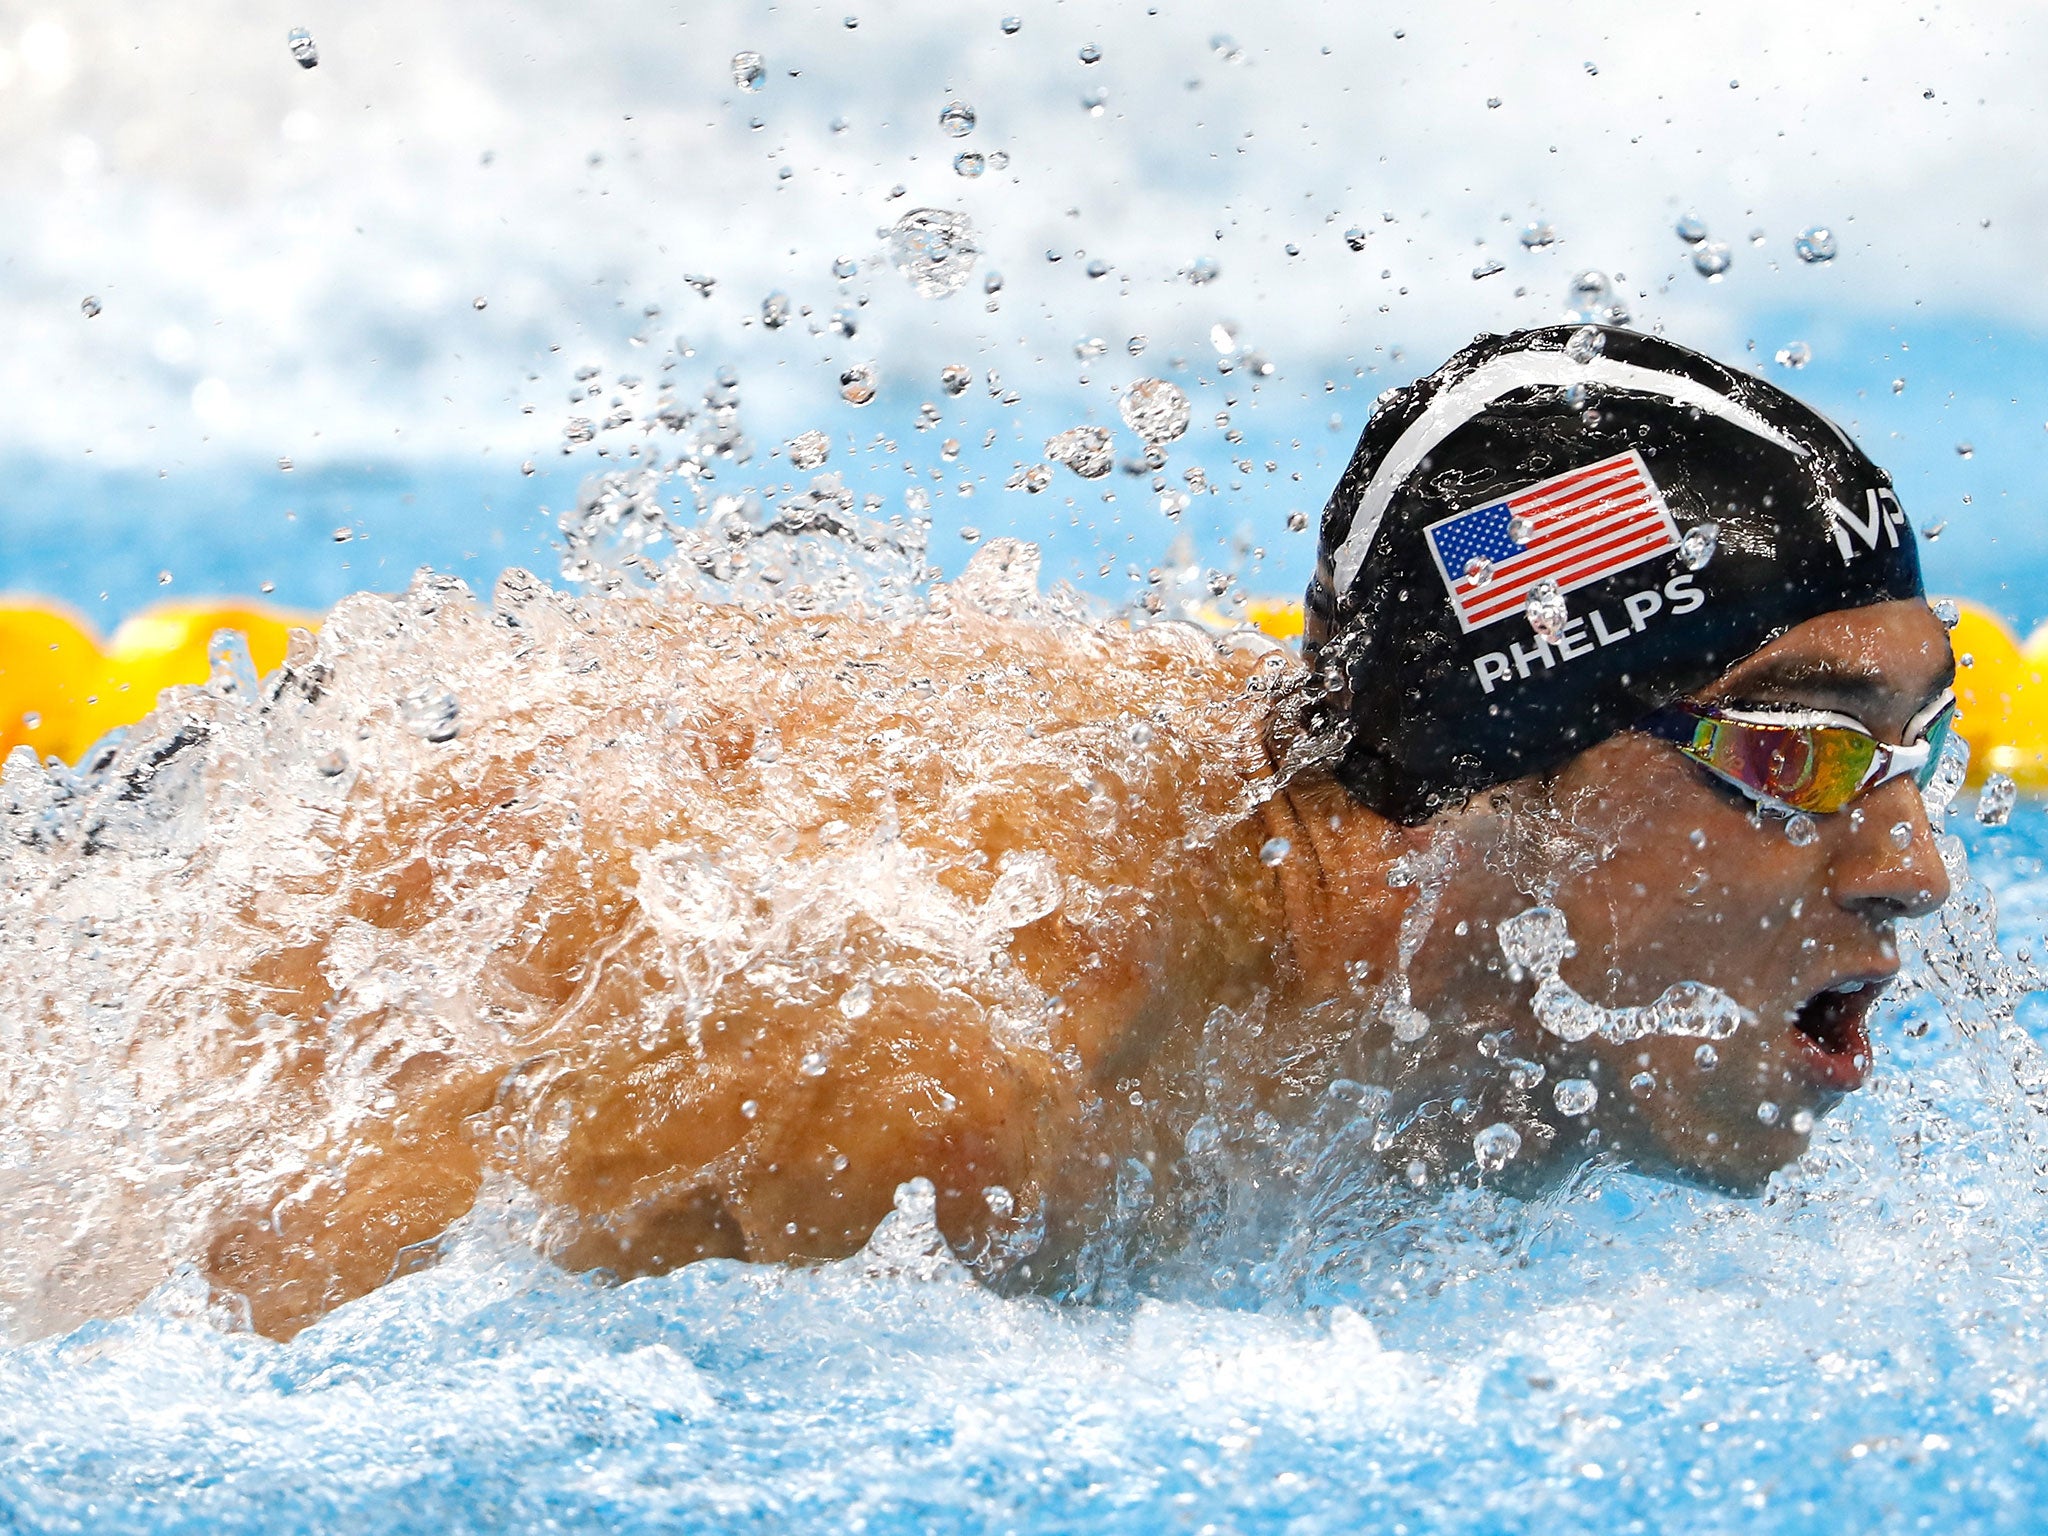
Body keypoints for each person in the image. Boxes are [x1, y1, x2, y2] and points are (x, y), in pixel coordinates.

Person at [52, 326, 1949, 1339]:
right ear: (1493, 775)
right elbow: (261, 1366)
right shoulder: (942, 1063)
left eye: (1918, 753)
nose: (1912, 865)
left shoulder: (1408, 944)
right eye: (1798, 757)